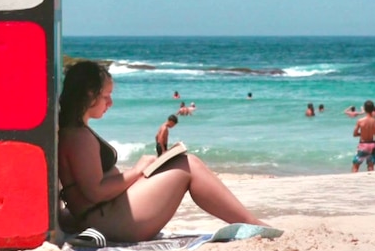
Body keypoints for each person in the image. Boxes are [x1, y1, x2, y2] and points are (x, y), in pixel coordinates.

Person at [57, 60, 267, 241]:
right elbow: (95, 191)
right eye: (106, 96)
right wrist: (138, 170)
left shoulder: (76, 131)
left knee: (180, 163)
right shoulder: (78, 136)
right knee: (188, 165)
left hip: (107, 214)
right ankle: (253, 225)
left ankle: (251, 224)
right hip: (112, 222)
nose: (110, 103)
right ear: (90, 94)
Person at [351, 100, 375, 173]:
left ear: (365, 109)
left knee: (355, 166)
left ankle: (353, 181)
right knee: (370, 166)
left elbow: (354, 134)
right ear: (373, 109)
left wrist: (362, 134)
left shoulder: (360, 121)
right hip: (372, 145)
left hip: (363, 145)